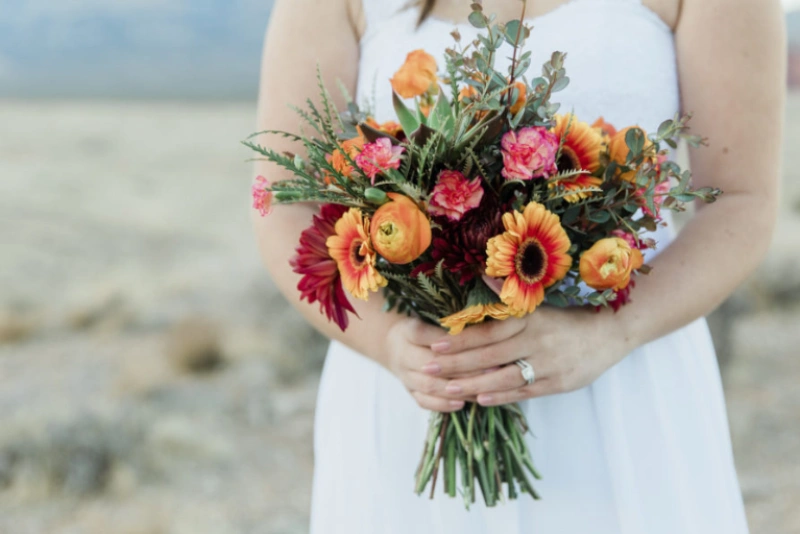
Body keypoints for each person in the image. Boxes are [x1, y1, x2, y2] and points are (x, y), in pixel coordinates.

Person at [252, 0, 785, 532]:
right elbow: (284, 203)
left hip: (623, 384)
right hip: (409, 393)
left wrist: (611, 332)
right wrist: (391, 342)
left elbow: (741, 200)